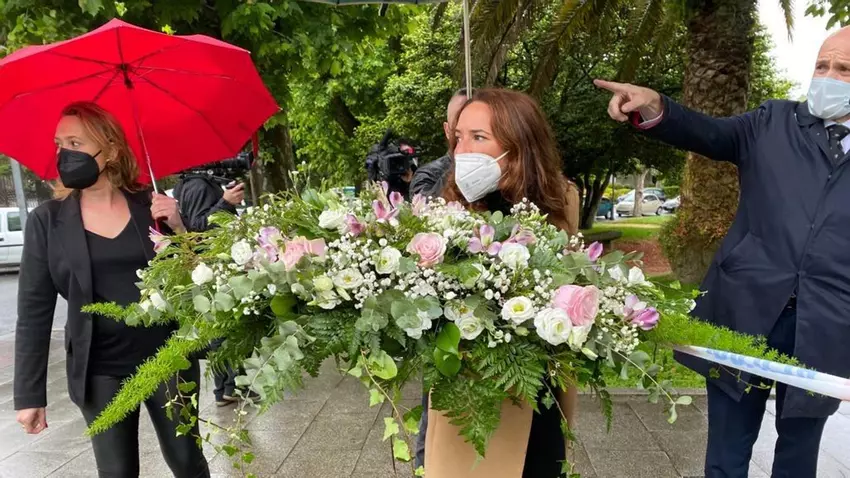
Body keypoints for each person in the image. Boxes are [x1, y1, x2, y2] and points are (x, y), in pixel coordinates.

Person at [593, 26, 850, 478]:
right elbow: (708, 133)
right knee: (727, 453)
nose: (827, 76)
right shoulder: (772, 121)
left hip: (827, 323)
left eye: (843, 69)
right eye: (822, 65)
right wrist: (655, 107)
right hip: (745, 308)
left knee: (799, 454)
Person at [14, 102, 210, 478]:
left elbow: (195, 279)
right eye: (59, 144)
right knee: (117, 471)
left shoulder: (151, 207)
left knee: (187, 461)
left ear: (112, 150)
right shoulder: (47, 221)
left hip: (166, 354)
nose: (64, 154)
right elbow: (33, 311)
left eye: (76, 143)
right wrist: (29, 395)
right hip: (98, 367)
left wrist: (179, 228)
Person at [424, 88, 580, 478]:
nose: (462, 151)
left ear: (518, 143)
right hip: (467, 399)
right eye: (458, 137)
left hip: (533, 393)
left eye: (479, 137)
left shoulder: (560, 200)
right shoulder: (450, 207)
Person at [173, 169, 244, 407]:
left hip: (213, 265)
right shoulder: (197, 185)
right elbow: (197, 228)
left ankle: (230, 386)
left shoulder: (195, 182)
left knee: (223, 326)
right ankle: (228, 387)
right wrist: (226, 202)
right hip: (212, 265)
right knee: (222, 328)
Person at [409, 89, 471, 199]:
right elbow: (425, 205)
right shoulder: (427, 175)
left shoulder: (499, 171)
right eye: (458, 121)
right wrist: (461, 168)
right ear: (447, 130)